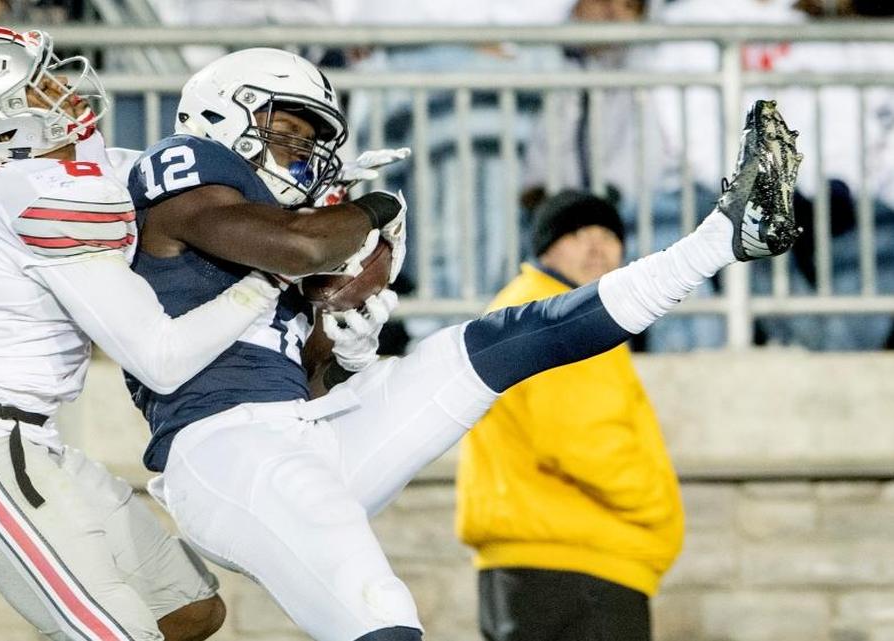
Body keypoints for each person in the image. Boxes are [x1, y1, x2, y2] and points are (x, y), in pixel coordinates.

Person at [118, 45, 801, 641]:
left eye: (312, 137)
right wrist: (378, 210)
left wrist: (343, 350)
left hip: (303, 431)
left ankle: (723, 237)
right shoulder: (186, 175)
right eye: (288, 130)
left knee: (490, 346)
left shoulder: (263, 227)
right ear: (222, 116)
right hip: (220, 451)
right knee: (378, 608)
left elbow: (304, 374)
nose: (305, 153)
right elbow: (302, 246)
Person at [0, 27, 290, 641]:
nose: (63, 88)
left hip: (23, 436)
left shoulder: (36, 170)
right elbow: (161, 358)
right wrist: (269, 277)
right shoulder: (32, 193)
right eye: (37, 87)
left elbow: (153, 179)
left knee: (188, 608)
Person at [455, 191, 684, 641]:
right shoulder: (560, 319)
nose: (597, 247)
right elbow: (583, 439)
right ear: (545, 248)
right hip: (575, 569)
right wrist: (660, 511)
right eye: (578, 235)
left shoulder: (535, 308)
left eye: (609, 236)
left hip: (544, 564)